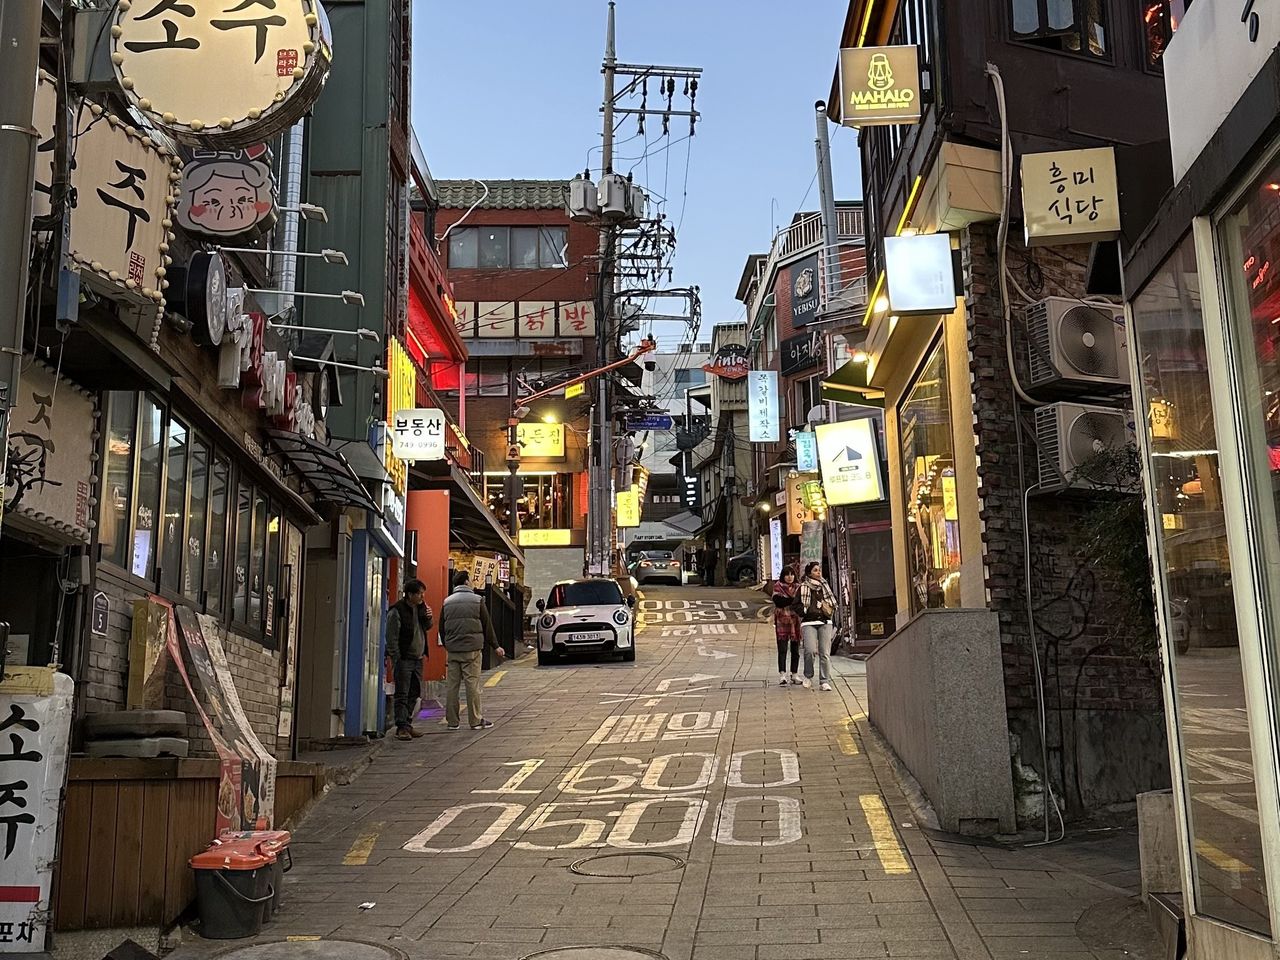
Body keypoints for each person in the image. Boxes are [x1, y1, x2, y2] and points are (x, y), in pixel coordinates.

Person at [438, 570, 506, 730]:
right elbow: (486, 625)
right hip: (472, 649)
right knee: (472, 685)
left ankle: (452, 722)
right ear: (467, 582)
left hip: (453, 650)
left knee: (452, 686)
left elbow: (442, 627)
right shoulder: (477, 600)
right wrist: (495, 646)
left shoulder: (447, 602)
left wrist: (448, 644)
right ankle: (475, 720)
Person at [385, 579, 434, 741]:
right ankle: (401, 726)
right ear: (410, 594)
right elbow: (391, 637)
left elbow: (427, 627)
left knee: (414, 691)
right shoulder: (397, 611)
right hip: (404, 658)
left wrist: (429, 617)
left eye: (422, 593)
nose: (422, 596)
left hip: (418, 657)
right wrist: (396, 657)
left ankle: (407, 723)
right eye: (419, 593)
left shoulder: (421, 608)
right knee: (402, 693)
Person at [798, 562, 837, 692]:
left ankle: (824, 681)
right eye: (815, 570)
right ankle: (808, 676)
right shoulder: (803, 587)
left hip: (825, 622)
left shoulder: (825, 586)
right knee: (809, 650)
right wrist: (804, 611)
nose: (818, 573)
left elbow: (833, 601)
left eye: (819, 570)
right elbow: (795, 604)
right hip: (809, 622)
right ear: (809, 573)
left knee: (824, 653)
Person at [770, 566, 802, 686]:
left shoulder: (798, 588)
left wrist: (789, 601)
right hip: (782, 621)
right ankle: (782, 674)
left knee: (795, 649)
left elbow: (800, 602)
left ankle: (794, 674)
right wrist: (793, 601)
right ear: (783, 576)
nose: (790, 577)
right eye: (787, 575)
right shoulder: (777, 586)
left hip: (795, 621)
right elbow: (778, 601)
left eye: (792, 574)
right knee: (782, 649)